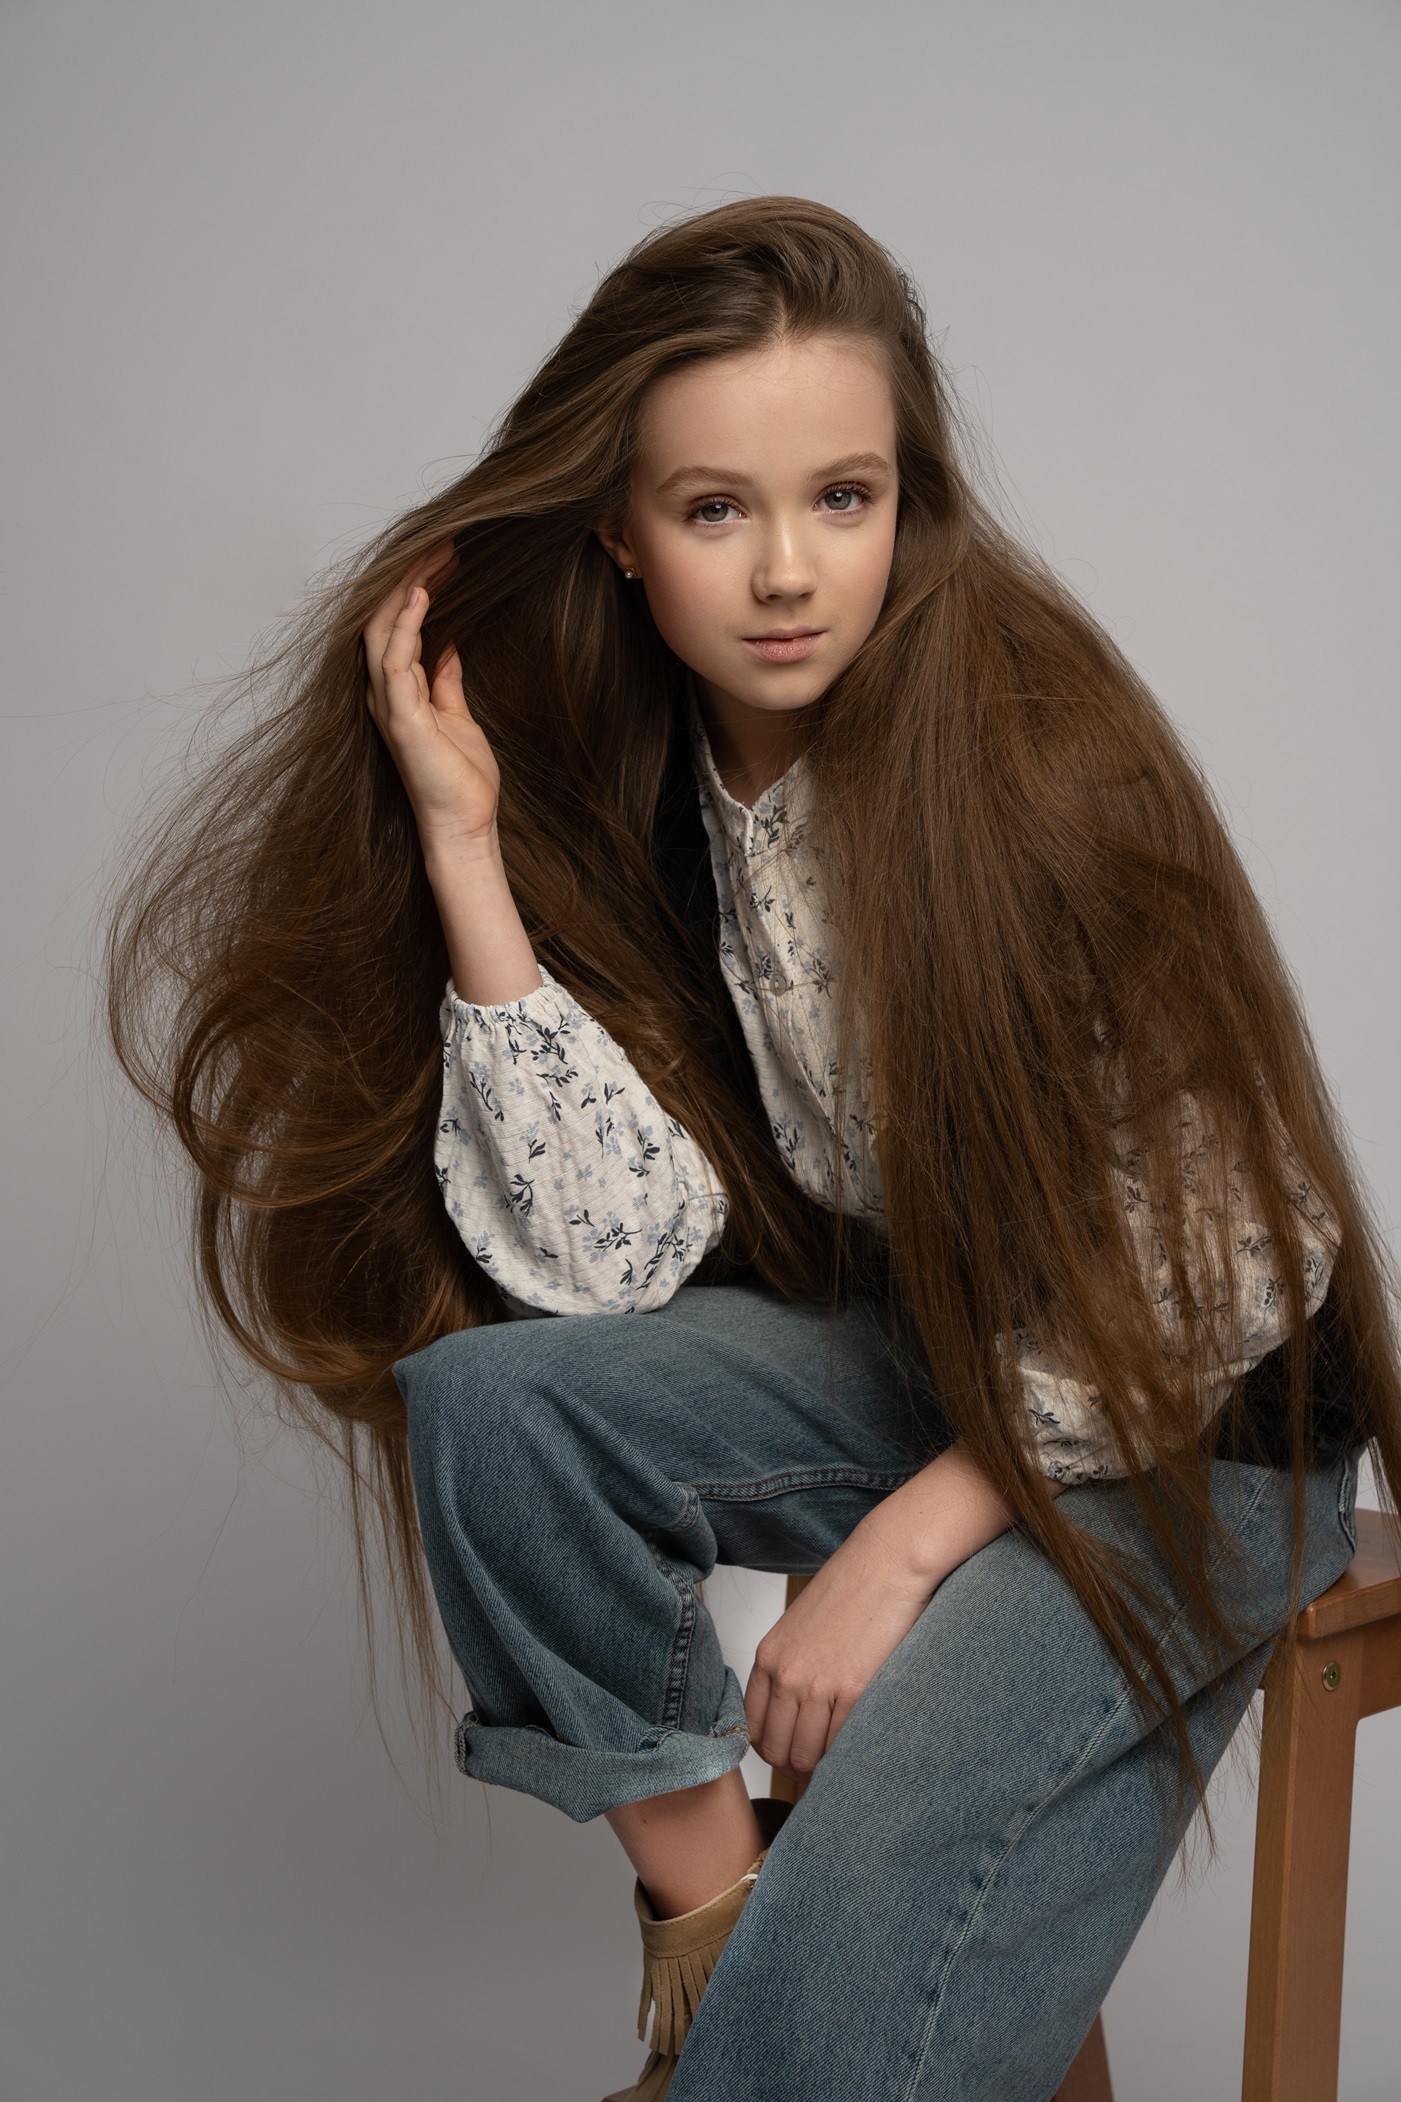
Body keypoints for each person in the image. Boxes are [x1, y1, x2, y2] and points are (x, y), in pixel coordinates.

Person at [106, 196, 1400, 2101]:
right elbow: (612, 1261)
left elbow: (1221, 1255)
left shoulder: (1033, 760)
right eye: (716, 508)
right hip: (947, 1358)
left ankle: (767, 2028)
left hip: (1195, 1428)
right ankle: (721, 1946)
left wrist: (898, 1548)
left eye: (843, 498)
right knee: (497, 1411)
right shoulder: (661, 774)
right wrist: (465, 848)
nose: (789, 572)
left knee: (848, 1994)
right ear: (619, 532)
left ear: (908, 502)